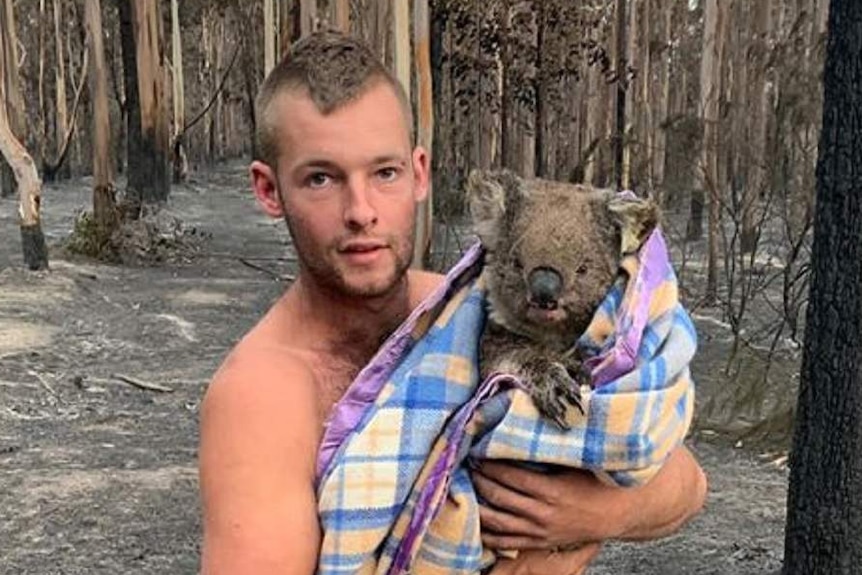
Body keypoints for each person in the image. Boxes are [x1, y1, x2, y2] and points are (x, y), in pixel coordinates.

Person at [198, 30, 707, 575]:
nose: (361, 210)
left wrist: (595, 512)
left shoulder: (468, 306)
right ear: (269, 190)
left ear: (419, 173)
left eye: (384, 172)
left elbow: (687, 484)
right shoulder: (259, 400)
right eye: (321, 178)